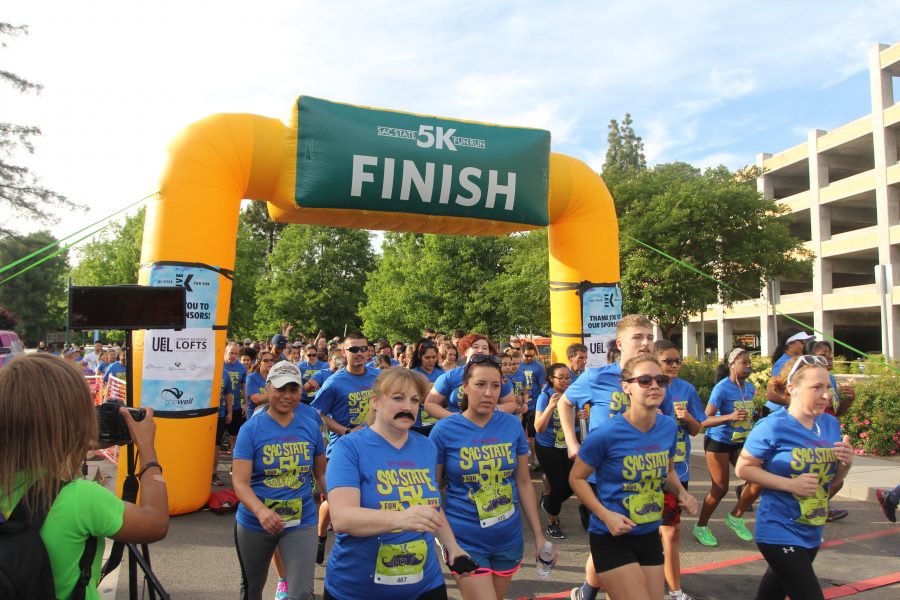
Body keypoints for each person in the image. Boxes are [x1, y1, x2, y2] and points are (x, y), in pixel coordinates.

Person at [0, 353, 168, 599]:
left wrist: (77, 442)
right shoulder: (80, 499)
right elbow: (156, 523)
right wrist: (147, 450)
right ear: (73, 422)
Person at [324, 368, 469, 599]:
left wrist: (452, 546)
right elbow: (342, 518)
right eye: (398, 398)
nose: (408, 407)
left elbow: (431, 507)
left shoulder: (426, 447)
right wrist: (401, 518)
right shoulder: (349, 448)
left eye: (414, 400)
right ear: (376, 402)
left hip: (425, 584)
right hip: (358, 589)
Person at [557, 314, 669, 600]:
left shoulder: (655, 378)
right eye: (638, 337)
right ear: (620, 343)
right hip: (597, 472)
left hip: (639, 471)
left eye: (649, 337)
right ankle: (600, 587)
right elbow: (566, 402)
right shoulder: (597, 376)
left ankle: (590, 588)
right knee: (611, 530)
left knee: (628, 531)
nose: (645, 343)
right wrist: (572, 441)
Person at [570, 354, 697, 600]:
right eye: (645, 380)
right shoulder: (606, 434)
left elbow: (668, 471)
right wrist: (606, 516)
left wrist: (682, 493)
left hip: (649, 532)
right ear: (626, 387)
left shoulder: (668, 427)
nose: (655, 386)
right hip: (612, 536)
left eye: (661, 380)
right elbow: (576, 479)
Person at [430, 354, 555, 600]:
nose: (488, 393)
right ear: (464, 387)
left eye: (495, 386)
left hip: (507, 538)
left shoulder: (511, 425)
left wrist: (540, 537)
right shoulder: (444, 431)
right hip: (464, 539)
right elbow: (431, 490)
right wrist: (448, 542)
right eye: (480, 384)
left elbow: (523, 482)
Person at [735, 354, 854, 600]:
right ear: (793, 389)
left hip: (811, 527)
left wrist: (845, 464)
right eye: (817, 388)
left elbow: (831, 481)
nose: (826, 395)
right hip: (778, 528)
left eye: (827, 387)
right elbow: (743, 469)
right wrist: (790, 484)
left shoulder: (830, 424)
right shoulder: (773, 425)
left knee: (771, 594)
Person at [232, 361, 326, 600]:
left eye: (293, 390)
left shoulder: (310, 425)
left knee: (301, 592)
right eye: (281, 389)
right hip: (255, 523)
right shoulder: (251, 429)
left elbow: (321, 474)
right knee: (252, 589)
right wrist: (262, 513)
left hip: (301, 521)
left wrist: (339, 501)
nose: (287, 396)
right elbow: (240, 482)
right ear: (268, 388)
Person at [311, 333, 381, 563]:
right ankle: (321, 536)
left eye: (363, 349)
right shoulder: (334, 382)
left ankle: (366, 549)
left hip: (373, 444)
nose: (360, 354)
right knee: (335, 500)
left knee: (371, 495)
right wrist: (346, 431)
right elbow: (318, 413)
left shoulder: (378, 376)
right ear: (344, 353)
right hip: (344, 446)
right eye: (354, 350)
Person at [692, 348, 759, 547]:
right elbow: (703, 420)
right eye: (743, 363)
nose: (748, 366)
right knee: (720, 488)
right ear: (731, 365)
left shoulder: (750, 388)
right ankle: (701, 527)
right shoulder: (722, 388)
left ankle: (735, 517)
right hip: (718, 442)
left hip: (740, 441)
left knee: (757, 480)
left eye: (749, 363)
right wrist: (729, 417)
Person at [654, 341, 705, 600]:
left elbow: (697, 429)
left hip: (678, 471)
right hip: (648, 471)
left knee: (672, 531)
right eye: (668, 361)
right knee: (643, 532)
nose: (674, 366)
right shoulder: (648, 388)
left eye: (677, 361)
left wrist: (687, 418)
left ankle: (675, 590)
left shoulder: (687, 389)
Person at [805, 339, 854, 522]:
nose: (829, 357)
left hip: (830, 435)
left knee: (835, 480)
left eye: (829, 353)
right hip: (814, 438)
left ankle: (819, 508)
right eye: (822, 355)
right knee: (820, 479)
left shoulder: (830, 379)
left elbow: (835, 411)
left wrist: (848, 400)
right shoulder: (807, 382)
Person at [424, 334, 517, 420]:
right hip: (457, 430)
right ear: (466, 351)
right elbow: (430, 404)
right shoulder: (450, 376)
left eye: (485, 348)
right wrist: (454, 418)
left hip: (488, 429)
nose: (480, 350)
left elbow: (510, 403)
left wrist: (494, 410)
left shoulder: (497, 376)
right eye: (475, 347)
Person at [533, 363, 576, 539]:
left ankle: (549, 501)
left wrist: (583, 417)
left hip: (566, 445)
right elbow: (538, 428)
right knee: (559, 485)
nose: (566, 381)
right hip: (547, 446)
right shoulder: (545, 396)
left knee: (572, 484)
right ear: (552, 378)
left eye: (568, 377)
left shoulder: (572, 395)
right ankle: (552, 521)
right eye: (561, 377)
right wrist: (551, 407)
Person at [764, 329, 814, 415]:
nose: (804, 345)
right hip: (779, 411)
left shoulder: (799, 361)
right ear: (790, 344)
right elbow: (775, 391)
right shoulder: (782, 364)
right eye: (801, 342)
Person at [409, 339, 444, 436]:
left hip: (437, 423)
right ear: (420, 357)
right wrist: (431, 389)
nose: (431, 361)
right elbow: (411, 400)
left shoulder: (441, 373)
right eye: (427, 358)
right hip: (417, 424)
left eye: (434, 357)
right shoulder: (413, 374)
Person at [224, 342, 249, 434]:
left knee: (234, 434)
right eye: (231, 353)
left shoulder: (241, 367)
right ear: (225, 352)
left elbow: (244, 388)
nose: (233, 356)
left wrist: (246, 404)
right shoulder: (219, 365)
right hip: (220, 406)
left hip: (236, 405)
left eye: (236, 354)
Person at [246, 351, 275, 418]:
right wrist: (276, 394)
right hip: (255, 416)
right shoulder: (251, 378)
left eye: (271, 360)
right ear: (259, 364)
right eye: (266, 360)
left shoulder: (276, 377)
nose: (270, 362)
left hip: (272, 415)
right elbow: (257, 399)